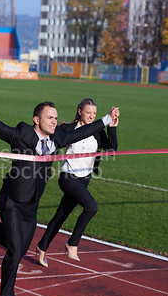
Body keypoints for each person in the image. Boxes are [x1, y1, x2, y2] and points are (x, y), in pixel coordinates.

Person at [0, 81, 119, 296]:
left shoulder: (58, 138)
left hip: (32, 206)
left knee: (19, 250)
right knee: (15, 251)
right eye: (49, 117)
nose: (53, 121)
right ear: (36, 120)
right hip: (11, 200)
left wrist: (107, 120)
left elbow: (82, 131)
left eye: (55, 117)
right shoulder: (22, 134)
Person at [35, 98, 118, 267]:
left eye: (94, 114)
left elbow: (111, 150)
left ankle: (41, 247)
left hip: (84, 179)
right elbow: (50, 140)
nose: (91, 117)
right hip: (67, 177)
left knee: (61, 215)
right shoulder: (68, 128)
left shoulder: (97, 131)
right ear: (80, 111)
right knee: (91, 207)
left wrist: (112, 128)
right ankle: (72, 244)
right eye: (88, 113)